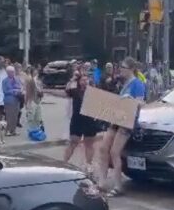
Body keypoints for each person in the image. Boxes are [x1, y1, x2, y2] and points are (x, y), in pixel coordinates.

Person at [94, 57, 147, 196]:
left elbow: (142, 103)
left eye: (123, 67)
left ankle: (118, 186)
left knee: (114, 152)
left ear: (130, 69)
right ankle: (102, 182)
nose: (120, 69)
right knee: (103, 148)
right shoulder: (124, 83)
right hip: (117, 119)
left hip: (127, 121)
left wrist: (131, 100)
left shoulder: (137, 84)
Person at [63, 69, 100, 171]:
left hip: (90, 121)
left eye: (86, 80)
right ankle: (64, 163)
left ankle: (88, 165)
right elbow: (66, 91)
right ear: (79, 82)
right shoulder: (75, 91)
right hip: (77, 120)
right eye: (82, 80)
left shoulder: (93, 91)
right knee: (73, 142)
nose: (84, 82)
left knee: (89, 144)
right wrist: (72, 80)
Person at [1, 65, 23, 136]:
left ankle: (13, 130)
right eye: (11, 72)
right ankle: (7, 131)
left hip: (17, 100)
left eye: (13, 72)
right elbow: (4, 91)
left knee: (15, 116)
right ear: (7, 72)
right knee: (9, 116)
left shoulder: (17, 79)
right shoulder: (5, 81)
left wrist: (19, 91)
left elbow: (20, 87)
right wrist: (13, 91)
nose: (13, 73)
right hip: (9, 100)